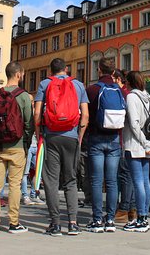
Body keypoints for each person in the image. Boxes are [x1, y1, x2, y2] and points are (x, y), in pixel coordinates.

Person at [34, 58, 89, 236]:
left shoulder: (45, 83)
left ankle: (55, 223)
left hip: (51, 136)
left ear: (51, 70)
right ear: (66, 69)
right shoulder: (79, 85)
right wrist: (79, 137)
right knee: (70, 180)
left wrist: (38, 134)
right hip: (72, 137)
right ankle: (73, 223)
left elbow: (37, 113)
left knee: (51, 181)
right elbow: (85, 116)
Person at [0, 62, 33, 234]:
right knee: (14, 185)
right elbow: (29, 123)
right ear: (19, 74)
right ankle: (13, 223)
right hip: (17, 146)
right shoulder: (23, 96)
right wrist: (26, 142)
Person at [85, 57, 123, 233]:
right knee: (112, 181)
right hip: (115, 138)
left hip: (96, 138)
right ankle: (110, 220)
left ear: (99, 70)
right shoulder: (119, 90)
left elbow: (85, 114)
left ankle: (97, 220)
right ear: (114, 72)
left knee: (96, 180)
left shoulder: (92, 90)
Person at [121, 71, 150, 232]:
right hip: (147, 144)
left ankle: (141, 218)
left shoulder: (132, 97)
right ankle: (144, 216)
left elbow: (134, 124)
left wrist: (143, 142)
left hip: (135, 144)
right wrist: (149, 143)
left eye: (125, 81)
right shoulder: (148, 98)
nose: (124, 84)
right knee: (145, 181)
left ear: (129, 82)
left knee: (138, 182)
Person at [113, 69, 135, 225]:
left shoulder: (122, 94)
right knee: (130, 175)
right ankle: (132, 209)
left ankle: (124, 210)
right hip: (131, 140)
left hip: (122, 138)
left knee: (124, 175)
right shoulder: (135, 95)